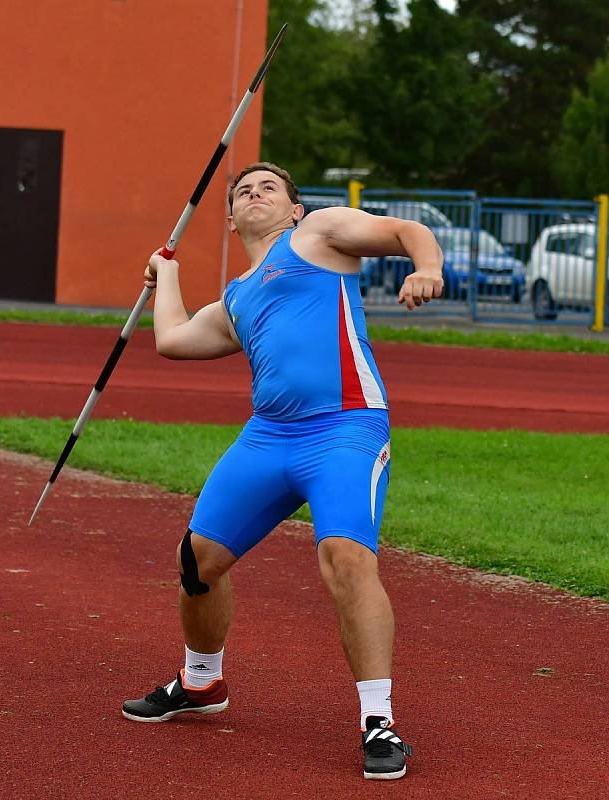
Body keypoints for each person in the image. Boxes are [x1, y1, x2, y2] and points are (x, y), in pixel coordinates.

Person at [122, 162, 443, 781]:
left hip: (345, 429)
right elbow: (174, 339)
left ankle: (379, 721)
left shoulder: (320, 233)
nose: (255, 193)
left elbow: (407, 230)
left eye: (270, 187)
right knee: (198, 562)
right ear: (232, 218)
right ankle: (200, 681)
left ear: (294, 208)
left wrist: (425, 268)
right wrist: (167, 274)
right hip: (268, 437)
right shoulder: (238, 298)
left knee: (346, 557)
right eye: (243, 191)